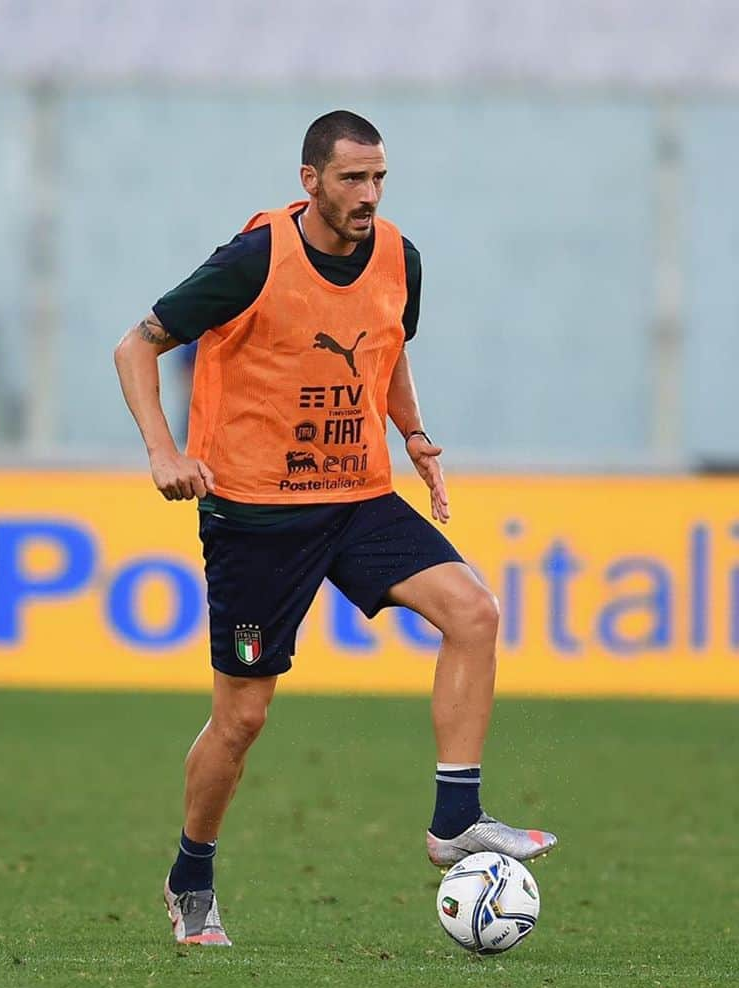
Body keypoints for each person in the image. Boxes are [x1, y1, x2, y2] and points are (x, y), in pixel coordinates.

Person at [113, 110, 557, 946]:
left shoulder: (399, 256)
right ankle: (192, 872)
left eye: (380, 177)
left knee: (475, 612)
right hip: (255, 515)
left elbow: (382, 351)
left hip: (356, 495)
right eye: (353, 179)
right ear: (310, 181)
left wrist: (415, 434)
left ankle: (454, 817)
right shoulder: (254, 259)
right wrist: (163, 451)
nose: (370, 195)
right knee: (242, 719)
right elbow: (136, 347)